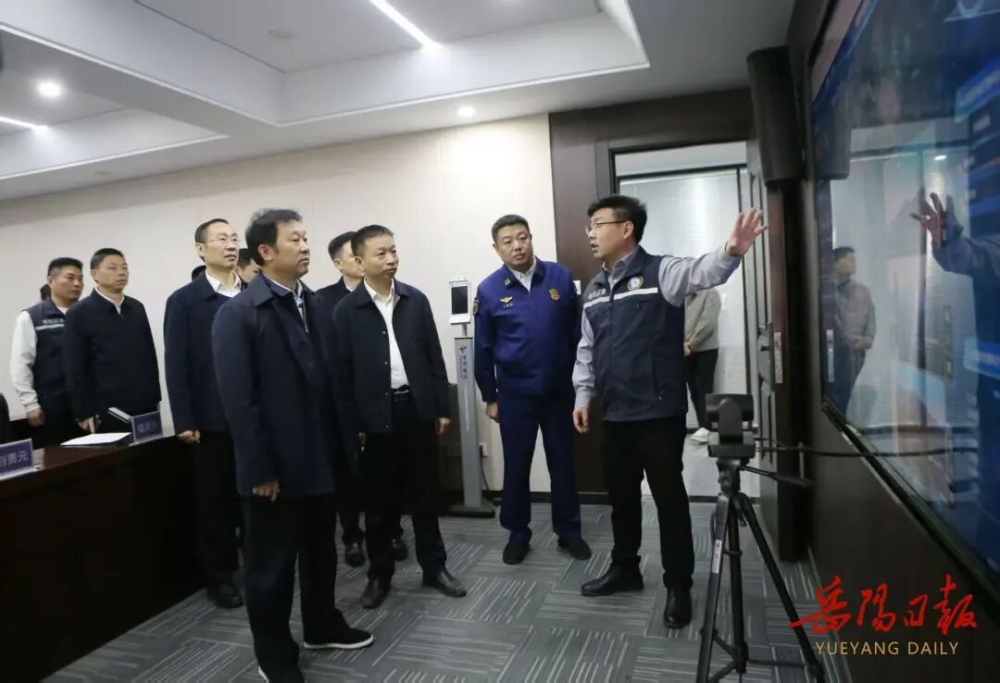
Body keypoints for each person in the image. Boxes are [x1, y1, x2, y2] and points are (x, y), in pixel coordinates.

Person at [572, 195, 766, 629]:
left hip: (658, 414)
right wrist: (583, 396)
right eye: (589, 226)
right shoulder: (595, 288)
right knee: (622, 501)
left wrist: (731, 251)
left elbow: (704, 270)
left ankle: (679, 584)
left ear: (626, 228)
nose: (590, 233)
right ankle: (625, 568)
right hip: (615, 413)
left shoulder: (662, 271)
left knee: (669, 501)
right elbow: (586, 348)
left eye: (597, 224)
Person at [213, 209, 372, 682]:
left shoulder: (316, 304)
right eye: (295, 240)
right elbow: (240, 402)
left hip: (321, 457)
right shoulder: (239, 314)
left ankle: (322, 624)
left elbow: (334, 380)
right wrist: (259, 470)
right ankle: (275, 655)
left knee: (321, 552)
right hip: (275, 469)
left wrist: (347, 442)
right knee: (272, 569)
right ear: (265, 252)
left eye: (306, 238)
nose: (305, 247)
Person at [332, 224, 467, 609]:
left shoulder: (415, 300)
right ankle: (379, 574)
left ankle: (435, 567)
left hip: (415, 410)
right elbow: (341, 375)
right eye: (381, 253)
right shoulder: (346, 311)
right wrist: (352, 427)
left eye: (393, 250)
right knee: (378, 504)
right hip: (373, 417)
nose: (391, 258)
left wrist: (440, 407)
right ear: (360, 262)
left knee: (425, 495)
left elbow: (433, 357)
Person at [473, 214, 590, 565]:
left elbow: (577, 336)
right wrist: (490, 397)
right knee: (517, 466)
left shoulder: (559, 277)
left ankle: (569, 532)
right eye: (507, 241)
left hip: (559, 393)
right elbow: (483, 348)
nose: (517, 246)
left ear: (531, 238)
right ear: (496, 248)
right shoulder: (489, 289)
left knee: (563, 464)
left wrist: (581, 385)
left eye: (522, 237)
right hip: (514, 395)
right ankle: (518, 534)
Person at [315, 231, 409, 569]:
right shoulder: (325, 302)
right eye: (353, 256)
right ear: (341, 263)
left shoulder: (395, 296)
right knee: (350, 478)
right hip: (347, 407)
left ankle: (393, 533)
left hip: (387, 405)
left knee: (389, 478)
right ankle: (353, 538)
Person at [164, 219, 245, 609]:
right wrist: (185, 418)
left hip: (256, 417)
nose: (230, 245)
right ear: (200, 249)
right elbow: (177, 363)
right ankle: (221, 577)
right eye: (221, 239)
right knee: (216, 503)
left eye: (234, 238)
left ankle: (262, 565)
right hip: (211, 420)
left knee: (260, 496)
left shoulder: (253, 292)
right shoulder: (184, 300)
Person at [63, 248, 161, 434]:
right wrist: (83, 410)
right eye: (113, 268)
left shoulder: (136, 308)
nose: (121, 272)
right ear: (95, 274)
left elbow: (149, 356)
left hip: (144, 404)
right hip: (107, 409)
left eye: (124, 267)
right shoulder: (79, 313)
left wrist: (155, 398)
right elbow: (75, 366)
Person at [10, 258, 85, 446]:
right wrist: (30, 404)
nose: (77, 283)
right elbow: (21, 363)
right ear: (51, 280)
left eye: (80, 279)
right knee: (58, 457)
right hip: (52, 406)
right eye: (70, 278)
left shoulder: (87, 314)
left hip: (87, 404)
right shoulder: (31, 317)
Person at [830, 245, 875, 415]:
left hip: (856, 354)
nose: (853, 262)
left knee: (845, 396)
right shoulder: (827, 292)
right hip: (834, 354)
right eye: (848, 259)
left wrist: (868, 339)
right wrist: (846, 341)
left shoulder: (863, 292)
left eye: (853, 259)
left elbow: (871, 321)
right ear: (835, 263)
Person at [684, 287, 721, 444]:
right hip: (686, 351)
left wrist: (691, 343)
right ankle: (702, 427)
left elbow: (707, 322)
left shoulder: (711, 293)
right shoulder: (685, 296)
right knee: (694, 390)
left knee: (704, 389)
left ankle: (708, 428)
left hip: (706, 350)